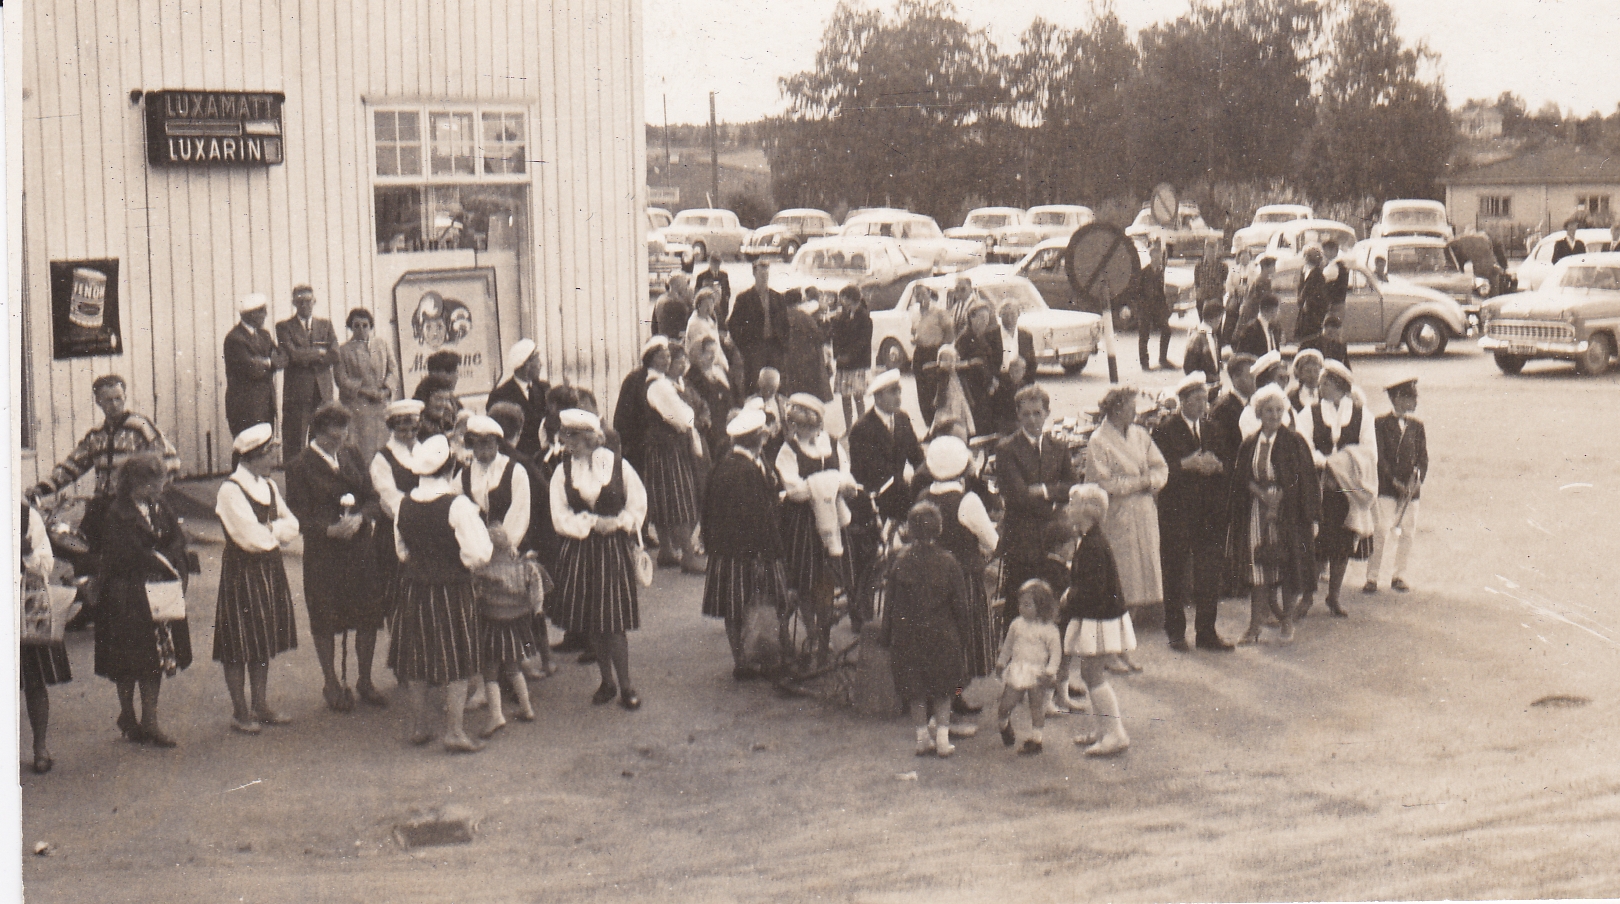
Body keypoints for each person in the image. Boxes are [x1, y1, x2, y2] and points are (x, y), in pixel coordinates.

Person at [388, 434, 493, 752]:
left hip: (414, 588)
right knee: (457, 657)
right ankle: (454, 731)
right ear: (450, 467)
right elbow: (479, 554)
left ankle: (420, 726)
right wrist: (457, 562)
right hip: (451, 589)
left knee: (417, 657)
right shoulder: (458, 505)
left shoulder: (403, 504)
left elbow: (402, 551)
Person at [286, 402, 389, 712]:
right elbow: (296, 514)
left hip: (359, 548)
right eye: (333, 436)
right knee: (325, 616)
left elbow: (372, 497)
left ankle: (365, 680)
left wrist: (360, 518)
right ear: (318, 433)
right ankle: (331, 682)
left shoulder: (351, 454)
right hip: (324, 554)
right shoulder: (299, 465)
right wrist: (327, 530)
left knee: (368, 613)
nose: (340, 441)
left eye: (344, 434)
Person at [549, 409, 648, 710]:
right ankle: (606, 681)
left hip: (612, 550)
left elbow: (637, 504)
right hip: (580, 551)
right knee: (593, 621)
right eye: (566, 437)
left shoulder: (618, 465)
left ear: (591, 438)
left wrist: (618, 523)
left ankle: (626, 685)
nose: (568, 444)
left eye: (574, 438)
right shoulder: (562, 471)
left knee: (614, 622)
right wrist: (592, 523)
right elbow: (560, 516)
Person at [93, 453, 193, 750]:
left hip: (156, 592)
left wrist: (168, 555)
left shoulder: (159, 506)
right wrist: (159, 558)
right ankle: (128, 714)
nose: (160, 488)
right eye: (154, 483)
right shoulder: (116, 513)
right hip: (126, 595)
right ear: (137, 483)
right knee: (126, 661)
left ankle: (150, 720)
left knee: (154, 659)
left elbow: (177, 537)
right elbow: (125, 555)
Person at [28, 373, 183, 561]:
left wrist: (151, 492)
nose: (115, 404)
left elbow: (170, 461)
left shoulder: (140, 427)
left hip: (130, 506)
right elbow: (73, 465)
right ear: (98, 401)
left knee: (128, 557)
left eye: (119, 398)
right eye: (108, 400)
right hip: (102, 504)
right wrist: (43, 488)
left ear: (125, 397)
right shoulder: (96, 435)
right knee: (85, 553)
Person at [214, 425, 301, 733]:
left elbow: (293, 525)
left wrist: (271, 530)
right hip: (242, 573)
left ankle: (260, 705)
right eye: (268, 454)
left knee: (262, 639)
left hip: (269, 570)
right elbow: (251, 539)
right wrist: (274, 532)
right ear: (250, 457)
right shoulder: (230, 490)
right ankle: (240, 712)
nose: (273, 459)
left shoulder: (269, 486)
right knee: (238, 643)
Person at [1226, 385, 1319, 645]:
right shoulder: (1250, 443)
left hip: (1289, 514)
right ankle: (1254, 625)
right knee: (1258, 569)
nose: (1275, 415)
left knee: (1289, 565)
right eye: (1269, 410)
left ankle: (1287, 621)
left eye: (1279, 410)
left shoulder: (1294, 441)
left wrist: (1282, 497)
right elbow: (1242, 476)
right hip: (1257, 511)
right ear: (1259, 413)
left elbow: (1305, 479)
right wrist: (1260, 492)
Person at [700, 409, 788, 678]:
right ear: (757, 438)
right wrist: (769, 551)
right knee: (757, 603)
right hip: (750, 552)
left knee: (733, 607)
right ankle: (759, 657)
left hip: (725, 551)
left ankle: (742, 660)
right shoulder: (747, 470)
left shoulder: (724, 465)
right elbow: (757, 516)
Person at [880, 501, 969, 758]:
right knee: (946, 689)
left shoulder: (900, 561)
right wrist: (963, 636)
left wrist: (886, 636)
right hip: (943, 635)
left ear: (909, 529)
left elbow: (890, 603)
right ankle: (942, 739)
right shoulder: (949, 562)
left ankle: (922, 738)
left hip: (908, 636)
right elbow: (960, 605)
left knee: (915, 690)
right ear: (939, 529)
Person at [916, 436, 999, 711]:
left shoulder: (924, 497)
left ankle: (944, 698)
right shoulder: (967, 501)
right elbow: (992, 541)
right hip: (962, 581)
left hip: (929, 579)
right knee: (965, 644)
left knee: (938, 643)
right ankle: (954, 697)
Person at [776, 393, 859, 667]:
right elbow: (795, 491)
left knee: (827, 579)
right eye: (799, 426)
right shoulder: (788, 450)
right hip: (804, 524)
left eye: (811, 427)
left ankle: (823, 639)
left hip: (833, 520)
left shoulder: (833, 445)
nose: (805, 432)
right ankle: (812, 632)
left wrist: (828, 483)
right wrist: (831, 482)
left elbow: (846, 476)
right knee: (806, 580)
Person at [1152, 373, 1233, 652]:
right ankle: (1176, 632)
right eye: (1196, 399)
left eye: (1204, 399)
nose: (1202, 405)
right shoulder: (1165, 430)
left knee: (1208, 572)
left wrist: (1217, 466)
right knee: (1175, 571)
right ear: (1183, 401)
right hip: (1177, 511)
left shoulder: (1212, 428)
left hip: (1209, 512)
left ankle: (1206, 631)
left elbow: (1227, 463)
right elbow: (1159, 470)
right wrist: (1186, 465)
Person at [1085, 387, 1168, 640]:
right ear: (1116, 409)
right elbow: (1103, 482)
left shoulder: (1140, 435)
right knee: (1124, 563)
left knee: (1147, 559)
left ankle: (1143, 611)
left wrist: (1151, 481)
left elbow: (1160, 467)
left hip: (1144, 507)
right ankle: (1121, 617)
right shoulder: (1099, 440)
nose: (1135, 412)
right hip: (1118, 510)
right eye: (1131, 407)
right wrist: (1140, 482)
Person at [1297, 359, 1376, 618]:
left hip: (1347, 488)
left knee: (1343, 542)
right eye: (1320, 383)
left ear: (1340, 386)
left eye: (1326, 383)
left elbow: (1368, 451)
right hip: (1318, 486)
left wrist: (1340, 467)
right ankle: (1307, 596)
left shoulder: (1362, 415)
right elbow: (1303, 445)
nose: (1320, 387)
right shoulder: (1309, 413)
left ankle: (1334, 595)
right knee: (1315, 542)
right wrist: (1325, 464)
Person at [994, 384, 1076, 632]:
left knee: (1052, 599)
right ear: (1018, 415)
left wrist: (1042, 490)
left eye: (1037, 413)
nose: (1032, 419)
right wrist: (1054, 496)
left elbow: (1073, 487)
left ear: (1047, 413)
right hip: (1022, 538)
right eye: (1026, 414)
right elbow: (1018, 496)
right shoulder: (1007, 449)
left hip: (1052, 540)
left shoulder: (1058, 447)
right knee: (1019, 598)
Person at [1062, 485, 1133, 757]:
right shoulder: (1089, 540)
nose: (1068, 508)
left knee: (1092, 674)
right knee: (1091, 674)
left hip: (1100, 619)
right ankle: (1104, 729)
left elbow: (1093, 588)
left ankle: (1115, 733)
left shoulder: (1093, 545)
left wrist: (1070, 598)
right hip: (1096, 616)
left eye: (1073, 503)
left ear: (1088, 512)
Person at [643, 337, 706, 573]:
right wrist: (689, 415)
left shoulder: (657, 383)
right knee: (679, 498)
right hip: (669, 447)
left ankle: (666, 550)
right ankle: (687, 555)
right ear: (651, 360)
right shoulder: (659, 386)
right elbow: (681, 417)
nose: (667, 360)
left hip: (661, 447)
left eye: (668, 356)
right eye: (662, 356)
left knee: (663, 499)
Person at [20, 501, 70, 772]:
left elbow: (46, 564)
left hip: (24, 608)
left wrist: (26, 553)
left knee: (34, 680)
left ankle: (40, 747)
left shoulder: (26, 515)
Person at [1365, 377, 1427, 594]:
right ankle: (1372, 577)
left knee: (1408, 532)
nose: (1416, 402)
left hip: (1410, 490)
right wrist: (1394, 481)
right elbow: (1379, 457)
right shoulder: (1380, 424)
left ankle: (1399, 575)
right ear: (1399, 398)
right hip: (1387, 487)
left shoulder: (1417, 426)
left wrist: (1417, 480)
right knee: (1381, 530)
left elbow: (1423, 458)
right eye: (1412, 397)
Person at [994, 579, 1064, 755]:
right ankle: (1004, 725)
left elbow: (1056, 654)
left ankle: (1036, 740)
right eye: (1020, 604)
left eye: (1027, 605)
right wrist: (1001, 662)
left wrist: (1050, 672)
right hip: (1018, 670)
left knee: (1037, 707)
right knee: (1005, 705)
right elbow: (1008, 645)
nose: (1021, 608)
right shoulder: (1016, 624)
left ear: (1041, 606)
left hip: (1038, 673)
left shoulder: (1050, 630)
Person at [847, 369, 923, 526]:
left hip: (900, 492)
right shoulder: (862, 428)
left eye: (899, 391)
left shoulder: (902, 418)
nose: (898, 397)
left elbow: (916, 455)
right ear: (878, 397)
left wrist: (924, 478)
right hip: (876, 499)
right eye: (893, 392)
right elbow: (872, 473)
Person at [277, 284, 339, 451]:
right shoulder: (284, 327)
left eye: (308, 301)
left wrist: (306, 354)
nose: (304, 305)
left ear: (314, 301)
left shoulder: (326, 325)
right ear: (294, 303)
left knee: (322, 441)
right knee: (294, 442)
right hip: (298, 394)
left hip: (323, 393)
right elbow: (293, 355)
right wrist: (319, 352)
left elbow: (335, 354)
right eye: (300, 301)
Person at [334, 308, 398, 464]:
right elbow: (341, 379)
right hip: (358, 407)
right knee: (362, 449)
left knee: (384, 448)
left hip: (381, 404)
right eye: (356, 325)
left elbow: (393, 369)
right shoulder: (343, 350)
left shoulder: (382, 344)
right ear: (350, 327)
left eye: (365, 325)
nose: (361, 329)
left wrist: (386, 390)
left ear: (371, 326)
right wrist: (364, 391)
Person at [223, 293, 284, 437]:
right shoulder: (235, 338)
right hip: (245, 408)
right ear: (250, 314)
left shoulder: (264, 335)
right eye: (262, 311)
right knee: (248, 446)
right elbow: (252, 369)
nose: (266, 315)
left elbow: (282, 358)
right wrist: (269, 362)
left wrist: (263, 362)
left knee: (265, 447)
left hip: (266, 405)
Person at [728, 259, 787, 392]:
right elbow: (733, 324)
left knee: (776, 384)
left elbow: (785, 323)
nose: (764, 278)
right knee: (754, 384)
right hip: (754, 348)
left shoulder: (777, 297)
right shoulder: (744, 298)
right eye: (761, 275)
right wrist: (744, 346)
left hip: (774, 347)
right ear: (754, 274)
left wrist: (782, 344)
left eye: (767, 275)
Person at [487, 339, 551, 461]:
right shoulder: (500, 395)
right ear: (526, 364)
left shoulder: (543, 389)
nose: (541, 365)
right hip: (515, 460)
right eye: (537, 360)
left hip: (542, 461)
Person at [953, 299, 1003, 434]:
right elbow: (955, 364)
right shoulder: (964, 338)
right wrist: (970, 363)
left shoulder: (984, 336)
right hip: (971, 387)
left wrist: (993, 379)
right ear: (971, 318)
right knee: (978, 422)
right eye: (981, 318)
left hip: (986, 385)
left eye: (986, 318)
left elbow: (990, 361)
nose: (984, 322)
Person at [830, 285, 873, 431]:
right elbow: (836, 336)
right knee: (845, 396)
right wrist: (838, 355)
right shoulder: (843, 315)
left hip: (857, 363)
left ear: (850, 298)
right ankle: (849, 428)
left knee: (858, 396)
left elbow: (863, 342)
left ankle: (861, 428)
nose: (841, 301)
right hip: (844, 363)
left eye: (843, 298)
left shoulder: (864, 317)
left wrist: (849, 356)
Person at [687, 335, 738, 460]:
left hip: (726, 425)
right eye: (708, 352)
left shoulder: (721, 372)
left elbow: (734, 395)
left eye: (715, 352)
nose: (713, 356)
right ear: (698, 354)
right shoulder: (692, 377)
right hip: (710, 429)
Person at [780, 288, 833, 406]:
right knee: (806, 399)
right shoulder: (805, 317)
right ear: (799, 301)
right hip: (806, 363)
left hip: (787, 363)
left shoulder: (781, 318)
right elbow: (819, 337)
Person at [910, 286, 955, 426]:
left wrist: (941, 351)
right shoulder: (914, 312)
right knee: (922, 393)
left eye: (923, 293)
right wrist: (914, 338)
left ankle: (938, 425)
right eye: (917, 295)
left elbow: (949, 333)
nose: (920, 297)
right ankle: (929, 425)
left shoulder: (939, 311)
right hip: (920, 353)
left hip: (934, 352)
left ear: (929, 293)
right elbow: (913, 331)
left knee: (934, 391)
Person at [1206, 353, 1256, 468]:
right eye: (1250, 376)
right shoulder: (1223, 408)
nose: (1255, 381)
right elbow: (1223, 451)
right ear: (1235, 378)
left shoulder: (1254, 403)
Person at [1136, 241, 1173, 371]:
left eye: (1159, 257)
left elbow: (1161, 292)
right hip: (1146, 308)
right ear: (1151, 256)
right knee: (1144, 335)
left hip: (1157, 308)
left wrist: (1165, 309)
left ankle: (1163, 359)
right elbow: (1138, 292)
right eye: (1155, 256)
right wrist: (1141, 307)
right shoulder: (1144, 272)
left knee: (1166, 331)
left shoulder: (1160, 272)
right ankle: (1144, 363)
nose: (1157, 259)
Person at [1228, 256, 1276, 347]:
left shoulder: (1259, 279)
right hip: (1252, 314)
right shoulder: (1263, 281)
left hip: (1250, 314)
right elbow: (1264, 302)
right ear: (1266, 268)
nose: (1274, 269)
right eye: (1272, 266)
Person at [986, 354, 1032, 436]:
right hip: (1004, 420)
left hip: (1018, 420)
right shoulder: (1003, 384)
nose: (1014, 374)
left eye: (1018, 371)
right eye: (1012, 371)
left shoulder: (1024, 386)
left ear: (1024, 372)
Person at [1296, 245, 1334, 343]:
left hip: (1313, 316)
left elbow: (1320, 298)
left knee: (1310, 340)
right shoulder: (1306, 273)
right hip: (1307, 315)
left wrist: (1307, 302)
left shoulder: (1318, 276)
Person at [1184, 301, 1225, 383]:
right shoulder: (1197, 338)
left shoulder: (1212, 335)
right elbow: (1188, 367)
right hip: (1203, 385)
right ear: (1217, 318)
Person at [1233, 292, 1282, 357]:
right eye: (1277, 310)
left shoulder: (1274, 329)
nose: (1278, 313)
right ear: (1272, 311)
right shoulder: (1251, 330)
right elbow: (1243, 356)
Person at [1193, 243, 1228, 327]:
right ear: (1205, 250)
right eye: (1209, 250)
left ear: (1216, 251)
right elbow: (1196, 283)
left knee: (1216, 325)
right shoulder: (1199, 265)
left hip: (1216, 298)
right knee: (1204, 325)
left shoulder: (1222, 266)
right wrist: (1199, 294)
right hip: (1203, 298)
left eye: (1213, 250)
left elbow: (1225, 283)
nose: (1211, 253)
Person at [653, 273, 695, 340]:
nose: (687, 288)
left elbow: (654, 326)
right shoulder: (677, 304)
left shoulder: (660, 299)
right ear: (678, 286)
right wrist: (691, 303)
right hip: (675, 341)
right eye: (685, 285)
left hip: (662, 338)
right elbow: (688, 326)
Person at [694, 254, 732, 324]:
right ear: (710, 263)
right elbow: (696, 293)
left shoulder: (724, 275)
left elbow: (727, 291)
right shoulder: (702, 276)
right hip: (707, 308)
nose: (716, 266)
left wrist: (726, 298)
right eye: (714, 264)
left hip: (721, 308)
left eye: (718, 264)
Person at [1287, 348, 1325, 415]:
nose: (1312, 375)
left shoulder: (1325, 395)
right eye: (1308, 371)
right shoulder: (1292, 396)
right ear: (1300, 373)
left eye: (1316, 371)